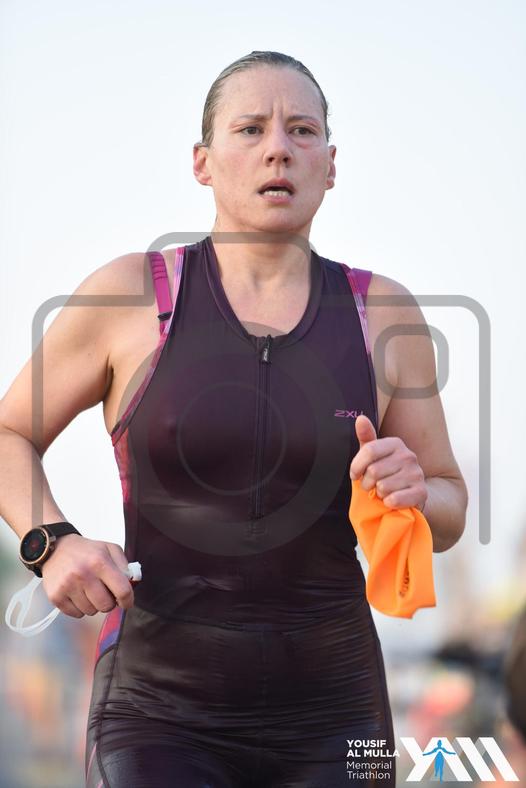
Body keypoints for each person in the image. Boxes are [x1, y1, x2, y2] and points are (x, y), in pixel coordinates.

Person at [0, 50, 468, 787]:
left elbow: (449, 507)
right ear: (203, 162)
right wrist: (50, 542)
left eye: (302, 130)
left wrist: (418, 490)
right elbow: (9, 433)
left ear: (331, 165)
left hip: (339, 710)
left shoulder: (382, 312)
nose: (278, 148)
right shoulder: (132, 295)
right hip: (157, 712)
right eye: (250, 129)